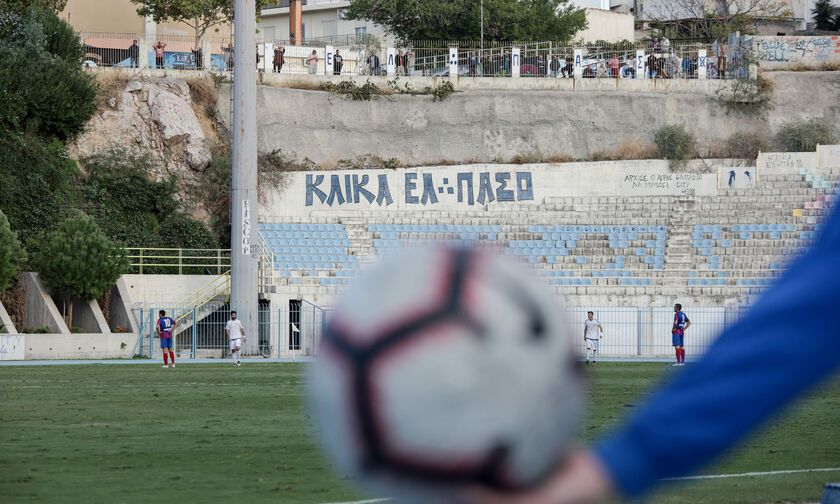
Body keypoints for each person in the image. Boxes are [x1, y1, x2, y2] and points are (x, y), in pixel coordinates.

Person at [470, 194, 840, 504]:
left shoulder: (681, 319)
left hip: (638, 444)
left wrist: (627, 457)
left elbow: (815, 301)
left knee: (660, 351)